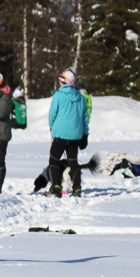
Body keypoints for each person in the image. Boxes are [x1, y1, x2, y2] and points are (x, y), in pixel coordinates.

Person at [47, 69, 90, 198]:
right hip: (75, 135)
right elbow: (85, 118)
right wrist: (85, 135)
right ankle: (77, 189)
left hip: (60, 134)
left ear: (63, 82)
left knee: (54, 161)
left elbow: (52, 114)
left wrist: (52, 127)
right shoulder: (80, 97)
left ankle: (56, 188)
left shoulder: (58, 95)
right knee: (73, 163)